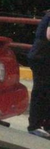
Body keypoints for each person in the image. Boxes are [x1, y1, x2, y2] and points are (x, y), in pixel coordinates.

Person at [27, 10, 50, 138]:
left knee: (46, 92)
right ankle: (34, 125)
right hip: (41, 58)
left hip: (43, 58)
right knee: (40, 92)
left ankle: (46, 125)